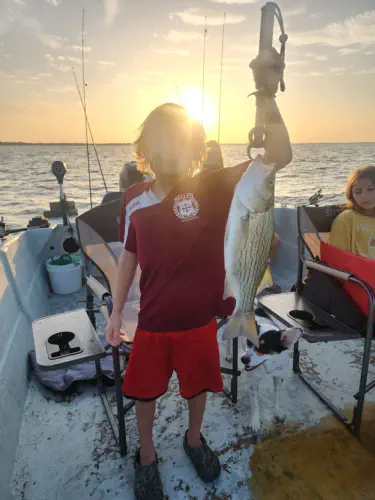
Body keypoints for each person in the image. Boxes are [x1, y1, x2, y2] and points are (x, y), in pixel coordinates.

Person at [106, 95, 291, 498]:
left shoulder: (215, 186)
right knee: (144, 392)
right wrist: (117, 311)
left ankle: (193, 439)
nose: (172, 151)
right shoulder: (133, 199)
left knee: (198, 387)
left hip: (201, 320)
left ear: (196, 150)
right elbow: (129, 257)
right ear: (146, 151)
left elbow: (279, 155)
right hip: (153, 321)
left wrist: (267, 98)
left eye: (182, 141)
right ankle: (148, 454)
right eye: (162, 142)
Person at [329, 165, 375, 259]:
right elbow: (337, 258)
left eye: (370, 189)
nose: (364, 196)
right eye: (358, 192)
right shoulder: (345, 219)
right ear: (351, 194)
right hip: (357, 271)